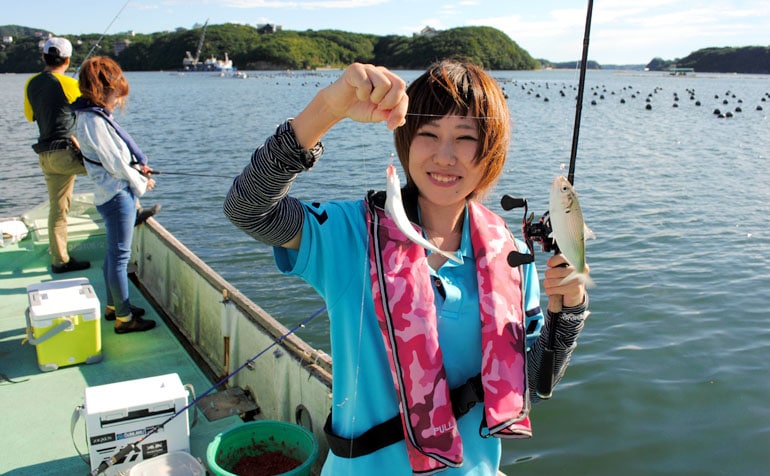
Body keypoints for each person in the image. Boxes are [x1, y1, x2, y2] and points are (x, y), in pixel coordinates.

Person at [224, 60, 590, 475]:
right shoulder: (351, 235)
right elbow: (248, 209)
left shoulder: (512, 256)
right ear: (405, 140)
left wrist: (571, 309)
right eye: (428, 134)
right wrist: (330, 107)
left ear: (490, 152)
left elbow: (533, 384)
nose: (444, 156)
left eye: (465, 138)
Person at [72, 56, 156, 334]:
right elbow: (116, 165)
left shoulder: (85, 116)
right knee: (120, 259)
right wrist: (143, 181)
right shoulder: (94, 121)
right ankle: (124, 318)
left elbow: (115, 160)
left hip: (107, 194)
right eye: (116, 93)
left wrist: (138, 170)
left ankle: (113, 306)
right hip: (117, 195)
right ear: (104, 88)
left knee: (112, 255)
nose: (119, 100)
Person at [23, 37, 90, 273]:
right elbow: (93, 108)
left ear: (44, 57)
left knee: (58, 209)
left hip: (45, 157)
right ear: (68, 60)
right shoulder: (69, 84)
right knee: (115, 170)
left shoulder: (31, 83)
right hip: (66, 153)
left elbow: (29, 115)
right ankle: (131, 213)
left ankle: (60, 261)